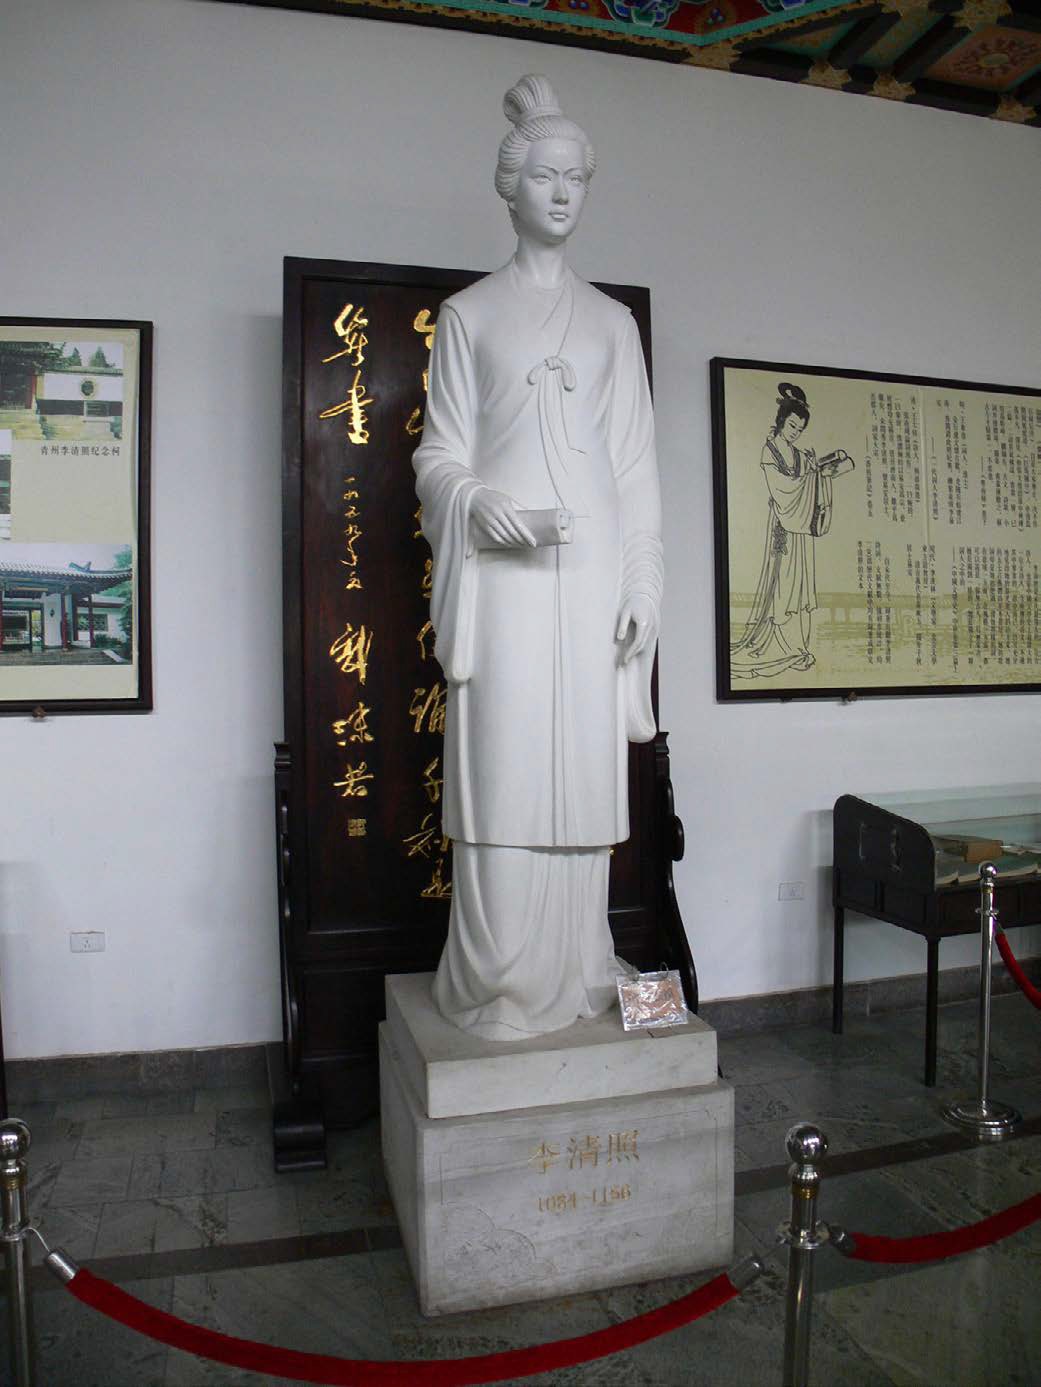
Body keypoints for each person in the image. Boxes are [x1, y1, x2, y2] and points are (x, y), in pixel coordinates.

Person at [413, 74, 663, 1041]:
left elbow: (636, 469)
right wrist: (479, 506)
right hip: (508, 582)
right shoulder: (468, 316)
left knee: (580, 777)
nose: (561, 194)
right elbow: (437, 453)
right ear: (510, 185)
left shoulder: (611, 324)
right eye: (544, 175)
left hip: (591, 581)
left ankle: (578, 964)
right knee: (507, 765)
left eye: (576, 180)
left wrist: (641, 579)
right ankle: (500, 978)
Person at [730, 382, 847, 678]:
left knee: (800, 586)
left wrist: (823, 471)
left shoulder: (800, 453)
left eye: (799, 428)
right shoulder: (770, 451)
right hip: (784, 526)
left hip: (801, 529)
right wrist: (809, 478)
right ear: (782, 421)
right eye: (792, 425)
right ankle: (781, 646)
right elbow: (782, 489)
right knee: (782, 584)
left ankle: (798, 646)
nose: (795, 431)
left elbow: (811, 480)